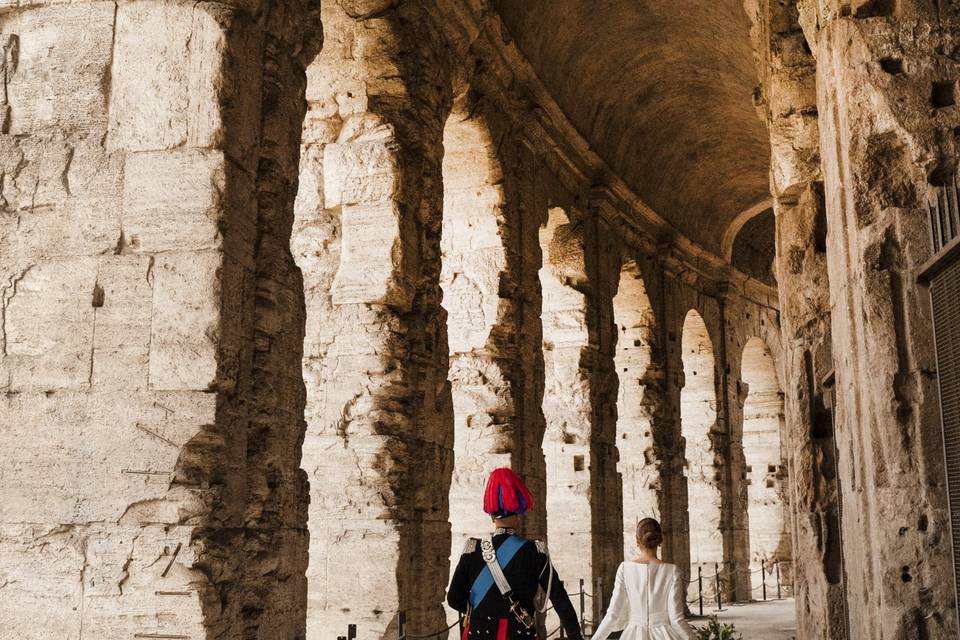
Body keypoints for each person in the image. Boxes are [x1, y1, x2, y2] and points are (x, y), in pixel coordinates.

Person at [447, 468, 584, 640]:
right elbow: (559, 597)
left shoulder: (472, 549)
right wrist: (575, 635)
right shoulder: (536, 551)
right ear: (518, 512)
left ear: (491, 515)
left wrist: (482, 611)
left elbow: (453, 599)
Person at [590, 518, 697, 640]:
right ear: (660, 540)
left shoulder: (625, 569)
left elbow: (612, 615)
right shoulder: (672, 571)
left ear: (637, 539)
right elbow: (676, 620)